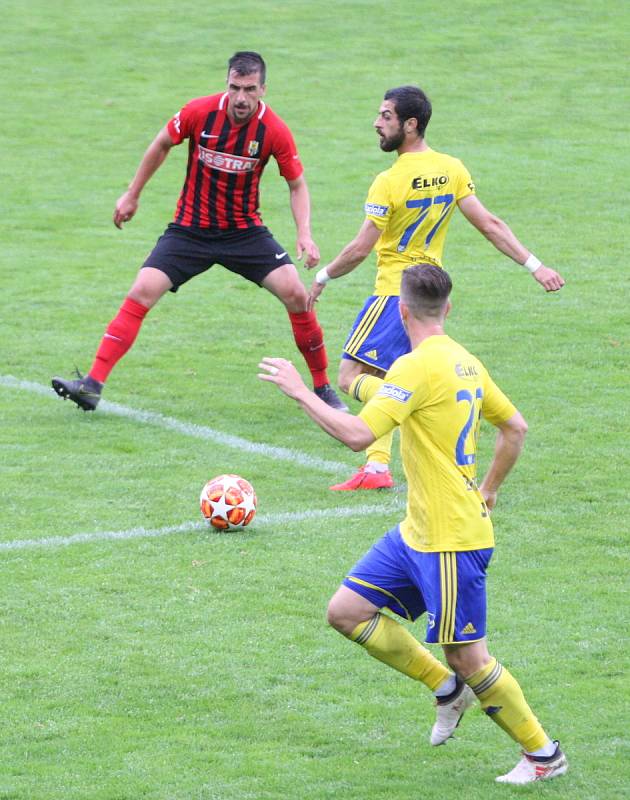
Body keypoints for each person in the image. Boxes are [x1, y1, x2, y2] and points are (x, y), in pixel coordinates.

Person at [258, 264, 568, 785]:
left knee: (469, 656)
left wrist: (302, 392)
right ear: (448, 307)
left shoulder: (413, 366)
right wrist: (488, 489)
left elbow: (359, 437)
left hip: (450, 539)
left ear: (401, 311)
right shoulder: (463, 362)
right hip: (418, 530)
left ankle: (544, 754)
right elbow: (514, 427)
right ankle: (446, 691)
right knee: (347, 611)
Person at [52, 51, 346, 413]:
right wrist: (132, 193)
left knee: (296, 295)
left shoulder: (274, 131)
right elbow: (161, 143)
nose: (241, 97)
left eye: (250, 89)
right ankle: (92, 385)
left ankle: (323, 388)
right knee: (142, 291)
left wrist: (305, 233)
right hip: (190, 231)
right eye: (235, 87)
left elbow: (297, 185)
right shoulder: (198, 112)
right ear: (226, 84)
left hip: (244, 233)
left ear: (263, 89)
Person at [307, 85, 565, 490]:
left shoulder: (388, 181)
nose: (377, 123)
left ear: (410, 125)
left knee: (350, 375)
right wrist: (536, 265)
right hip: (431, 292)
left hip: (395, 292)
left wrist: (322, 278)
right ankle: (376, 468)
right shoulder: (452, 168)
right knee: (385, 368)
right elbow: (489, 224)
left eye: (386, 117)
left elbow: (360, 249)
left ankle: (406, 408)